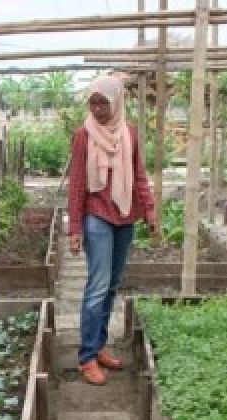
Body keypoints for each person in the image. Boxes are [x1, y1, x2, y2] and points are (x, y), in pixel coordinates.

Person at [67, 74, 158, 386]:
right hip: (97, 216)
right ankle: (87, 357)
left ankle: (100, 344)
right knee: (97, 284)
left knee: (112, 285)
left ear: (117, 102)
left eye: (103, 102)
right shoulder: (84, 135)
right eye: (93, 102)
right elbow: (78, 183)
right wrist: (74, 228)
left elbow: (139, 176)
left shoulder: (128, 133)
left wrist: (149, 209)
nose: (97, 109)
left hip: (125, 216)